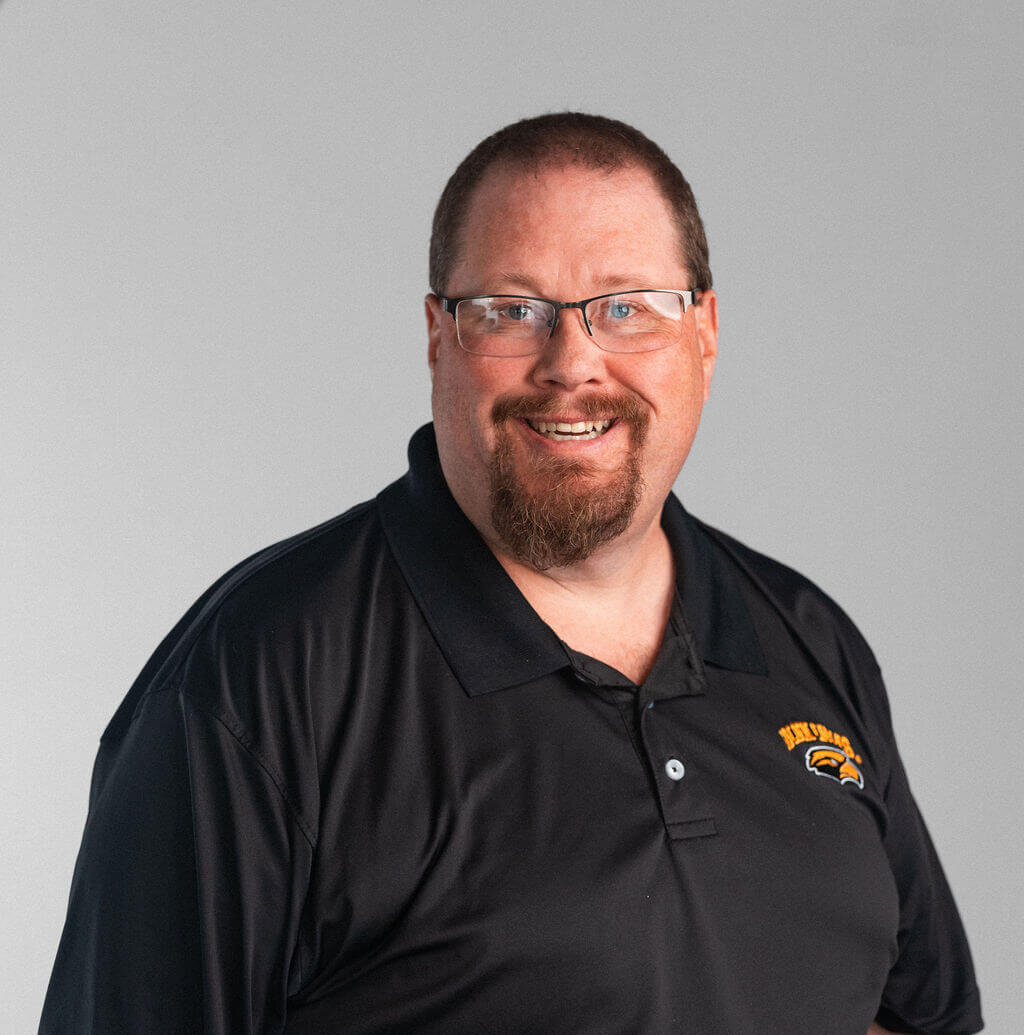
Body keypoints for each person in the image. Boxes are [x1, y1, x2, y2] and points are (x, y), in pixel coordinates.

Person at [40, 113, 982, 1035]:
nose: (573, 363)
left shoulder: (807, 638)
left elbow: (910, 1011)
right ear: (437, 335)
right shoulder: (261, 677)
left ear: (705, 331)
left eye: (627, 308)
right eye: (511, 311)